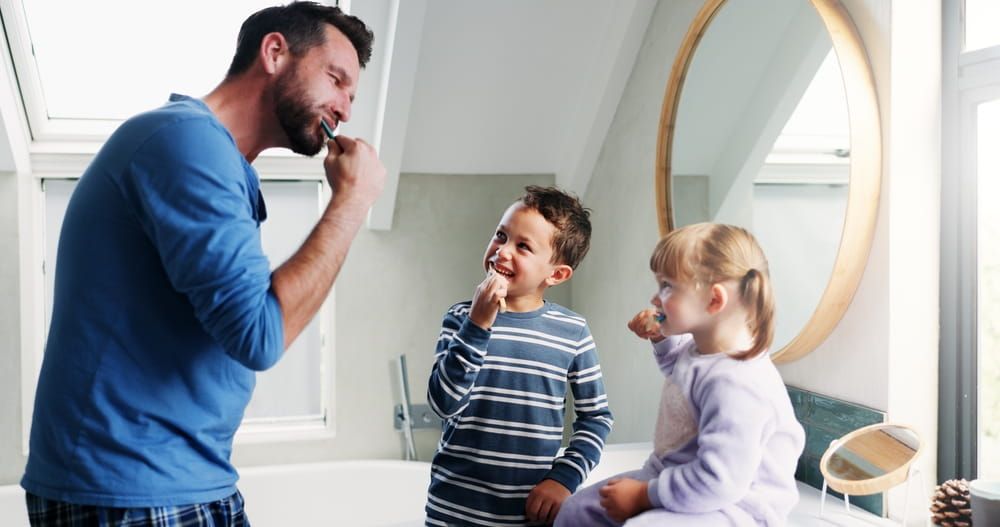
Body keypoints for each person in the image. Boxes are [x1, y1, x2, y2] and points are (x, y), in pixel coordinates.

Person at [21, 2, 385, 525]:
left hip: (185, 478)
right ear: (275, 53)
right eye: (336, 80)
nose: (345, 109)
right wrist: (352, 201)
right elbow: (259, 334)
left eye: (352, 95)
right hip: (128, 489)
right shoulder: (187, 143)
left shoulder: (216, 159)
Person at [555, 223, 805, 527]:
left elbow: (719, 481)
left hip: (736, 505)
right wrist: (661, 336)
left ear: (714, 300)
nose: (655, 298)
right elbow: (681, 373)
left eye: (667, 286)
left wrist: (643, 496)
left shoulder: (738, 383)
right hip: (674, 476)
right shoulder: (703, 350)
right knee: (577, 511)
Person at [425, 186, 614, 526]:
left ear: (556, 274)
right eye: (501, 235)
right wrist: (477, 325)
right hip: (451, 511)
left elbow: (596, 417)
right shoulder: (460, 318)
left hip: (526, 514)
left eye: (523, 246)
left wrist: (564, 478)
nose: (502, 251)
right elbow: (443, 404)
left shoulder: (572, 331)